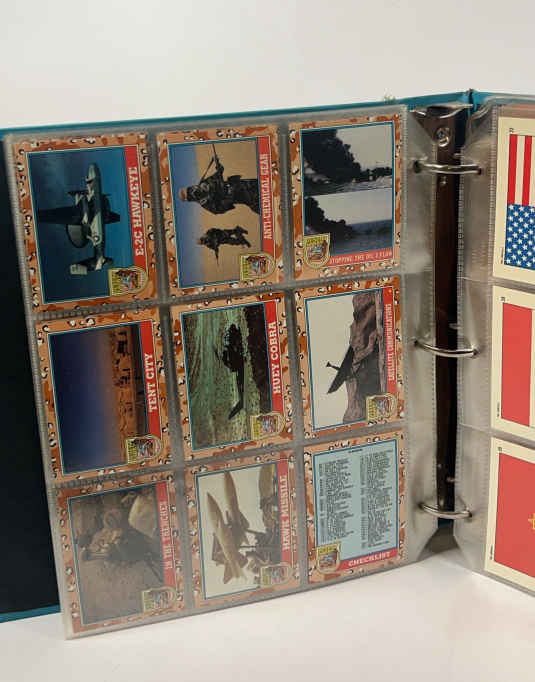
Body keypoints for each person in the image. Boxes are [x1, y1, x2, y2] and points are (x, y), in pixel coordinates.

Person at [178, 146, 260, 214]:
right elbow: (220, 209)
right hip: (247, 197)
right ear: (191, 199)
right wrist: (229, 194)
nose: (193, 191)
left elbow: (219, 172)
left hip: (246, 183)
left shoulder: (204, 183)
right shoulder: (205, 203)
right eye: (190, 194)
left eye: (190, 189)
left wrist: (218, 164)